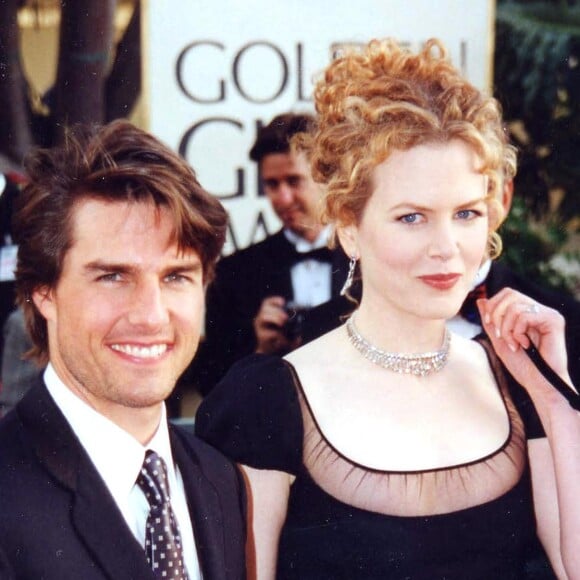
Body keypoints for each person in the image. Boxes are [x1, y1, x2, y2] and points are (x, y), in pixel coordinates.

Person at [196, 39, 580, 579]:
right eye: (411, 217)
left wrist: (552, 390)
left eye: (466, 213)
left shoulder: (516, 383)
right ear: (349, 227)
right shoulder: (267, 401)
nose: (446, 247)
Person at [0, 120, 246, 579]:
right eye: (113, 276)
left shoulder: (218, 479)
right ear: (43, 291)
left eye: (176, 277)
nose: (151, 316)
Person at [184, 113, 349, 395]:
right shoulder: (234, 273)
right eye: (272, 185)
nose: (282, 199)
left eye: (294, 181)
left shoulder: (370, 262)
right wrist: (260, 350)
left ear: (326, 178)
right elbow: (211, 387)